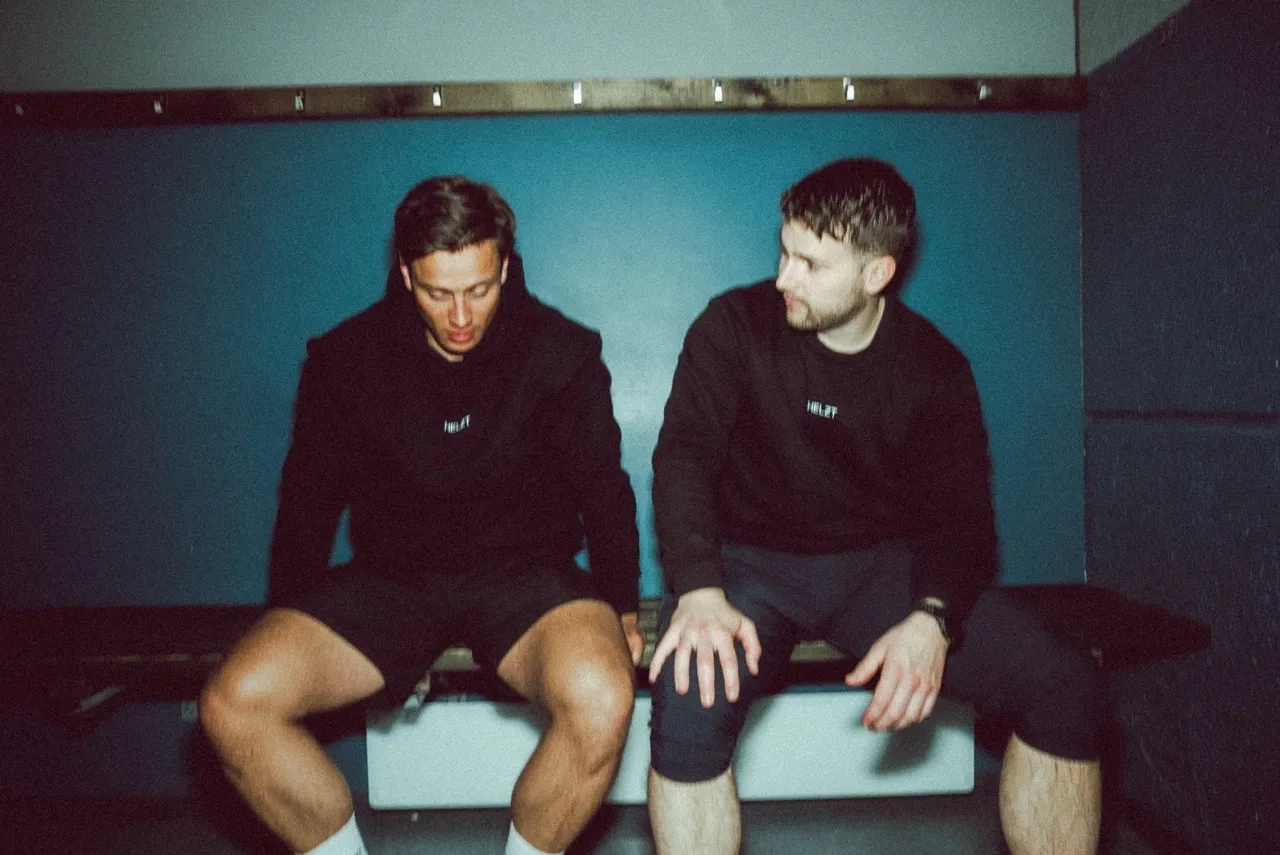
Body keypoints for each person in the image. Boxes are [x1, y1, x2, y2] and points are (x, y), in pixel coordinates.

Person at [646, 158, 1103, 855]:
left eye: (810, 263)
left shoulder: (933, 367)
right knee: (688, 695)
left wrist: (933, 617)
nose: (783, 277)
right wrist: (699, 589)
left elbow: (963, 520)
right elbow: (683, 456)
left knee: (1064, 684)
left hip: (879, 572)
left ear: (876, 274)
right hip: (750, 567)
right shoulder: (734, 326)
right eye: (784, 251)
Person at [200, 176, 643, 855]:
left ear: (505, 266)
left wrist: (620, 604)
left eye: (480, 288)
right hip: (391, 580)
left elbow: (603, 487)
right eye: (438, 292)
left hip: (527, 579)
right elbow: (308, 499)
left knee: (604, 695)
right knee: (234, 704)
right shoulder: (346, 358)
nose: (461, 314)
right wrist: (287, 611)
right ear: (405, 272)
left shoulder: (562, 351)